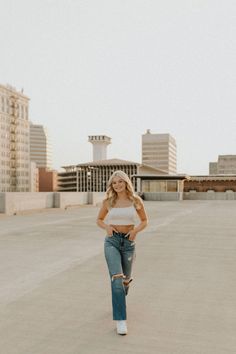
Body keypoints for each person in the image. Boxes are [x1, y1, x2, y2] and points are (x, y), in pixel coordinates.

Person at [96, 170, 148, 335]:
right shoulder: (108, 202)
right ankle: (120, 320)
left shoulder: (136, 200)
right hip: (111, 242)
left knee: (124, 280)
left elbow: (145, 221)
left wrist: (135, 232)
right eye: (114, 182)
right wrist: (107, 227)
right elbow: (99, 220)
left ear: (126, 183)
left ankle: (125, 287)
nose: (117, 185)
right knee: (116, 278)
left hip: (128, 242)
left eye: (120, 181)